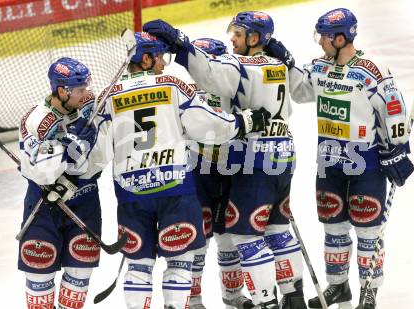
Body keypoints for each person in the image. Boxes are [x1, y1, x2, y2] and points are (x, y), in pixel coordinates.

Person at [143, 11, 307, 309]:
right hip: (284, 153)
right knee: (277, 228)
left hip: (253, 159)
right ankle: (294, 297)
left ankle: (266, 302)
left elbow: (208, 73)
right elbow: (303, 91)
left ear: (255, 38)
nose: (232, 39)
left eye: (239, 34)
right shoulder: (277, 64)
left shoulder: (238, 65)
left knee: (244, 233)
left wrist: (181, 45)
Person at [99, 31, 270, 309]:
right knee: (180, 263)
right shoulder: (171, 86)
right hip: (174, 190)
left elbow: (96, 153)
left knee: (138, 267)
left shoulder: (109, 97)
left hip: (132, 194)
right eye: (159, 58)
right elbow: (211, 127)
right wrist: (245, 123)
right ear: (145, 58)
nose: (164, 64)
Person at [266, 7, 414, 309]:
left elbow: (394, 109)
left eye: (323, 36)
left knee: (369, 232)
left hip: (366, 162)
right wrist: (288, 62)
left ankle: (368, 291)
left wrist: (396, 148)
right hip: (329, 161)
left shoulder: (371, 70)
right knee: (333, 229)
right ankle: (339, 286)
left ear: (340, 37)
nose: (319, 41)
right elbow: (300, 91)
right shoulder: (320, 68)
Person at [18, 57, 105, 309]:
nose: (85, 94)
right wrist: (68, 150)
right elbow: (42, 173)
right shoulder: (36, 120)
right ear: (61, 91)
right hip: (43, 208)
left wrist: (85, 147)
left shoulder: (90, 108)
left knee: (78, 284)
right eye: (79, 90)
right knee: (39, 289)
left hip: (85, 201)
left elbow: (100, 160)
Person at [187, 38, 253, 309]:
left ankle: (233, 294)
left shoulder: (234, 91)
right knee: (197, 239)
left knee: (227, 235)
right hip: (196, 173)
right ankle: (193, 299)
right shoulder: (186, 92)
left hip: (230, 170)